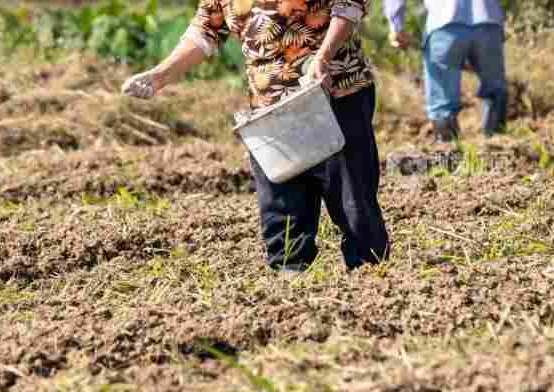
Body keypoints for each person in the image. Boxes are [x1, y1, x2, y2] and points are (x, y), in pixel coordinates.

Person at [122, 0, 389, 272]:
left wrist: (323, 57)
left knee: (351, 197)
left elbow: (349, 5)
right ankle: (290, 287)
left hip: (334, 93)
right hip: (271, 106)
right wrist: (159, 76)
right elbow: (205, 30)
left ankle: (368, 276)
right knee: (282, 199)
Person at [384, 0, 508, 142]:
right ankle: (498, 146)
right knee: (495, 90)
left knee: (442, 104)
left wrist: (396, 27)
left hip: (444, 25)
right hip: (488, 23)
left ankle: (448, 154)